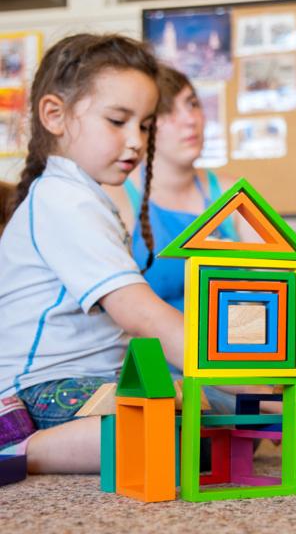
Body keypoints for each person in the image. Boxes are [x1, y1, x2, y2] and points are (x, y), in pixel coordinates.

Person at [105, 64, 296, 411]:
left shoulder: (228, 193)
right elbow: (126, 322)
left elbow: (283, 276)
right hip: (175, 363)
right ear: (146, 125)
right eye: (168, 111)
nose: (190, 119)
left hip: (255, 353)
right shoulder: (121, 199)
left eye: (192, 104)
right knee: (212, 411)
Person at [0, 34, 186, 473]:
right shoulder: (64, 201)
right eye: (118, 121)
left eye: (144, 125)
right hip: (39, 392)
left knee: (211, 418)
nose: (137, 141)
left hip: (95, 383)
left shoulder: (83, 197)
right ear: (55, 116)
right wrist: (224, 368)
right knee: (173, 432)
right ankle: (18, 448)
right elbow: (139, 313)